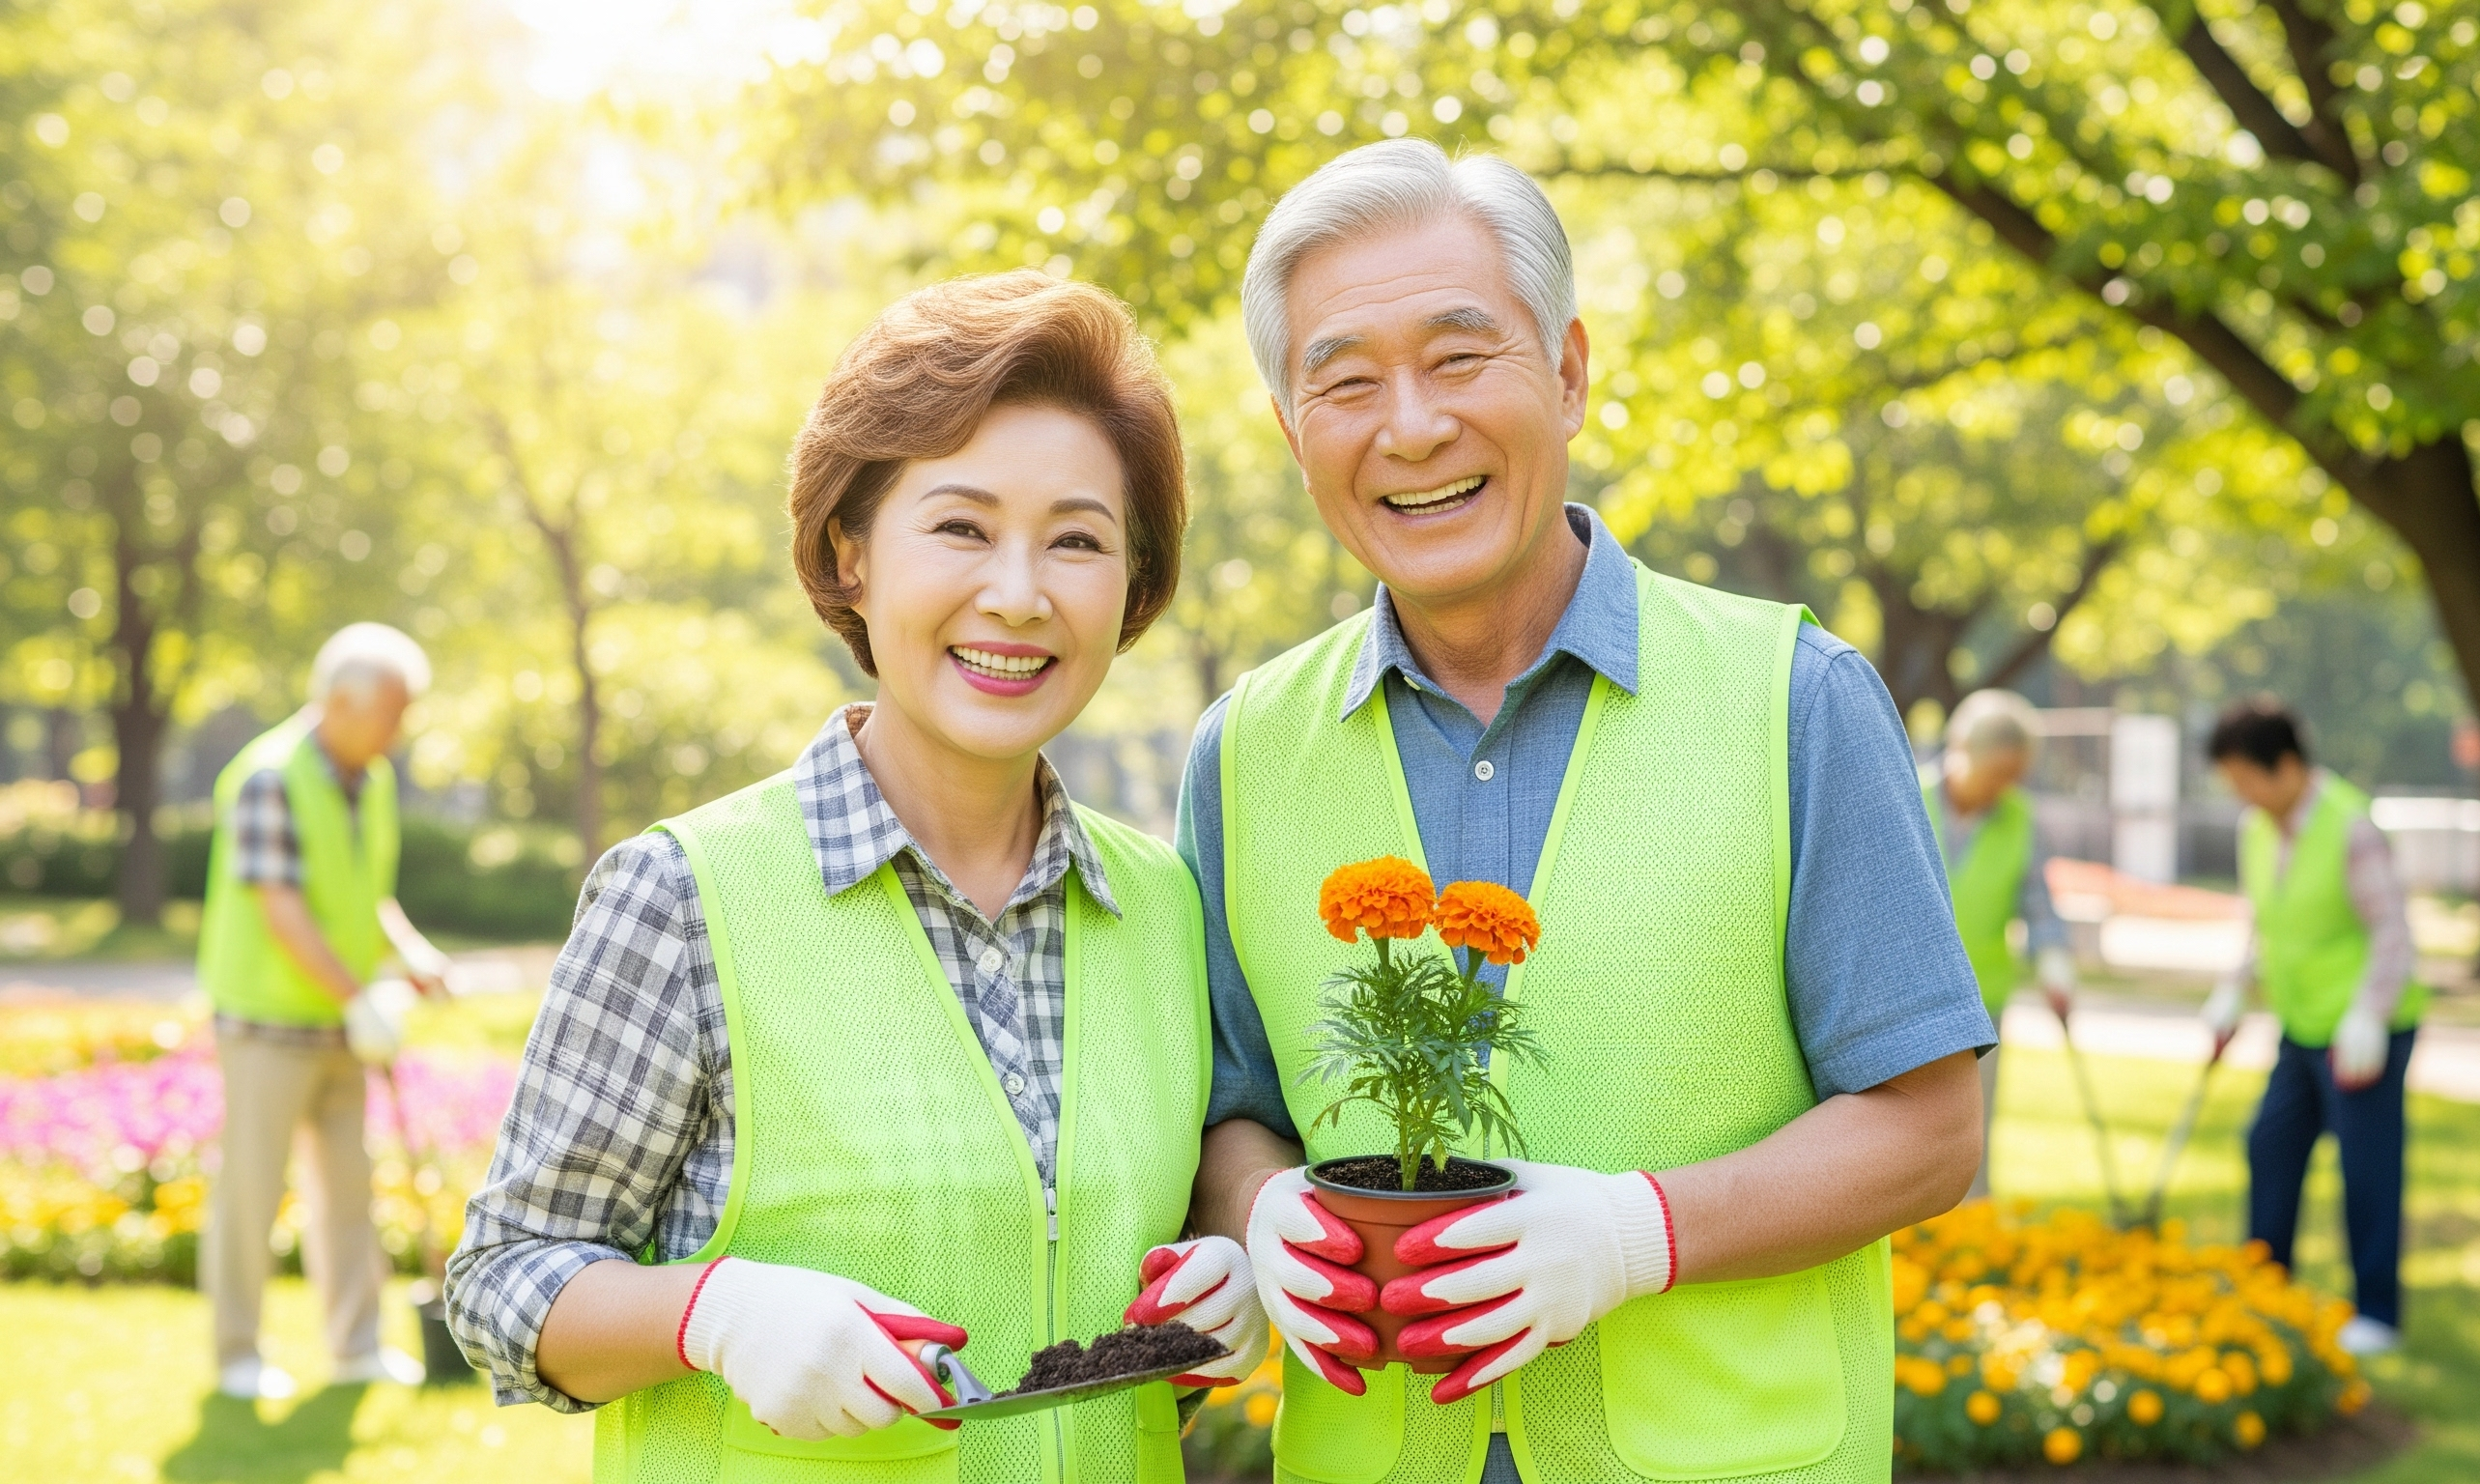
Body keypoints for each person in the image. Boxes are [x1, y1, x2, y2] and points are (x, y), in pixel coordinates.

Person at [1163, 141, 1991, 1484]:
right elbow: (1230, 1106)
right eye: (1347, 380)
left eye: (1459, 355)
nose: (1412, 425)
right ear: (1289, 429)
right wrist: (1262, 1212)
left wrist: (1636, 1233)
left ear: (1569, 372)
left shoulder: (1798, 699)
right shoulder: (1243, 752)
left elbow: (1929, 1127)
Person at [445, 272, 1263, 1483]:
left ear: (1131, 589)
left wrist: (1220, 1276)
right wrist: (713, 1318)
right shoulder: (682, 897)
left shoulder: (1163, 908)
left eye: (1078, 540)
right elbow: (503, 1281)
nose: (1019, 594)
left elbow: (1119, 1220)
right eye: (960, 526)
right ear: (849, 555)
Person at [198, 621, 453, 1400]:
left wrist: (408, 953)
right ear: (342, 702)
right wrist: (356, 997)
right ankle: (237, 1355)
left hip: (341, 1027)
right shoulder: (268, 777)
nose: (399, 731)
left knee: (349, 1191)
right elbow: (281, 908)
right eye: (392, 713)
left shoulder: (367, 781)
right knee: (251, 1190)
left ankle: (356, 1349)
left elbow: (363, 893)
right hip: (267, 1025)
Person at [2200, 699, 2423, 1356]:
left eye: (2245, 778)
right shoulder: (2258, 829)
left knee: (2367, 1169)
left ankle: (2377, 1313)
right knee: (2269, 1145)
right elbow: (2266, 924)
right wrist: (2235, 990)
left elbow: (2393, 934)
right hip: (2301, 1029)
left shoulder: (2351, 827)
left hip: (2363, 1033)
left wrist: (2368, 1015)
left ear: (2287, 766)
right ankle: (2267, 1291)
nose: (2238, 793)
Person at [1927, 690, 2074, 1200]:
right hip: (1904, 998)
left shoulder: (2021, 821)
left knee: (1970, 1139)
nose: (2003, 787)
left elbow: (2039, 907)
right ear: (1960, 748)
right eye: (1996, 772)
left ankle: (1973, 1232)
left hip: (1980, 1005)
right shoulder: (1905, 800)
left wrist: (2055, 965)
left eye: (2015, 775)